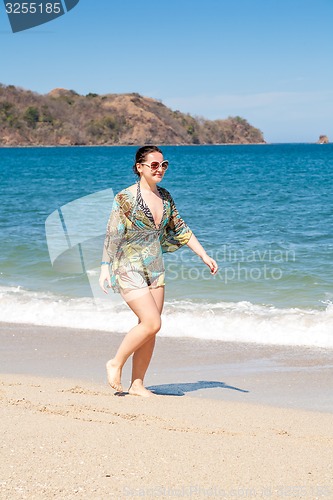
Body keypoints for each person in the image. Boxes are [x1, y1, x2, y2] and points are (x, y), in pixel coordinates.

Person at [99, 145, 218, 397]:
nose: (160, 169)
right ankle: (115, 362)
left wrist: (204, 255)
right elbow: (113, 233)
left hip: (154, 266)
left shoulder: (165, 196)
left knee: (150, 327)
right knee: (153, 322)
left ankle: (138, 384)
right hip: (127, 265)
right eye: (154, 165)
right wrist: (104, 267)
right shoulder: (125, 198)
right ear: (140, 167)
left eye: (164, 164)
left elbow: (180, 227)